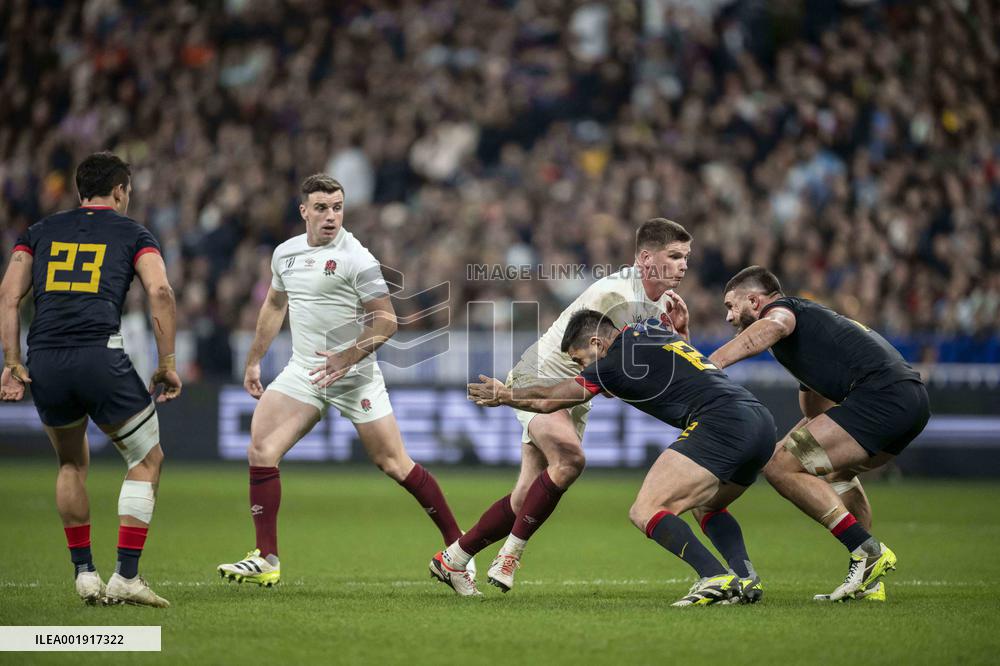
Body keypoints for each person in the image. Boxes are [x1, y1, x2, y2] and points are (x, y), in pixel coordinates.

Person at [217, 174, 467, 586]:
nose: (331, 216)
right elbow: (274, 305)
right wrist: (254, 361)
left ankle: (458, 547)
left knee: (394, 463)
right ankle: (266, 557)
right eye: (321, 208)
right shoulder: (286, 254)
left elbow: (387, 320)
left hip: (355, 375)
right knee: (261, 450)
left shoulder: (357, 258)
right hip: (304, 371)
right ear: (304, 212)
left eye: (337, 207)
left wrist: (347, 357)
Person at [429, 219, 688, 597]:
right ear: (647, 258)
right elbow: (607, 369)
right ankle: (510, 556)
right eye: (675, 256)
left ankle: (452, 559)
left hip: (579, 393)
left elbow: (666, 369)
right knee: (570, 459)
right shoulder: (615, 296)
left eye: (686, 257)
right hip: (544, 379)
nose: (683, 265)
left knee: (524, 499)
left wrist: (681, 335)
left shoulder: (663, 306)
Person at [468, 309, 775, 606]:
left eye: (580, 361)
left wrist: (507, 396)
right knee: (709, 504)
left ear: (596, 344)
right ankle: (744, 576)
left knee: (646, 510)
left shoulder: (612, 361)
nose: (582, 369)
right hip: (760, 421)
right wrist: (682, 332)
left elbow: (550, 400)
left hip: (721, 422)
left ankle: (714, 576)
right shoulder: (651, 330)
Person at [0, 151, 181, 608]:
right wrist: (166, 361)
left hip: (45, 357)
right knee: (147, 457)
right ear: (120, 191)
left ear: (81, 190)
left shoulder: (38, 232)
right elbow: (160, 290)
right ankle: (126, 575)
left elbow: (8, 294)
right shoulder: (134, 232)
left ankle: (84, 571)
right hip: (98, 353)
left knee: (70, 464)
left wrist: (12, 360)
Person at [708, 266, 930, 601]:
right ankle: (868, 582)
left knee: (780, 468)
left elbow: (774, 326)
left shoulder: (781, 313)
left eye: (731, 306)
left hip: (881, 397)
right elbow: (815, 411)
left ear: (754, 300)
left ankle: (865, 550)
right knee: (834, 468)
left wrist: (710, 366)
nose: (728, 317)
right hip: (909, 401)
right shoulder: (809, 334)